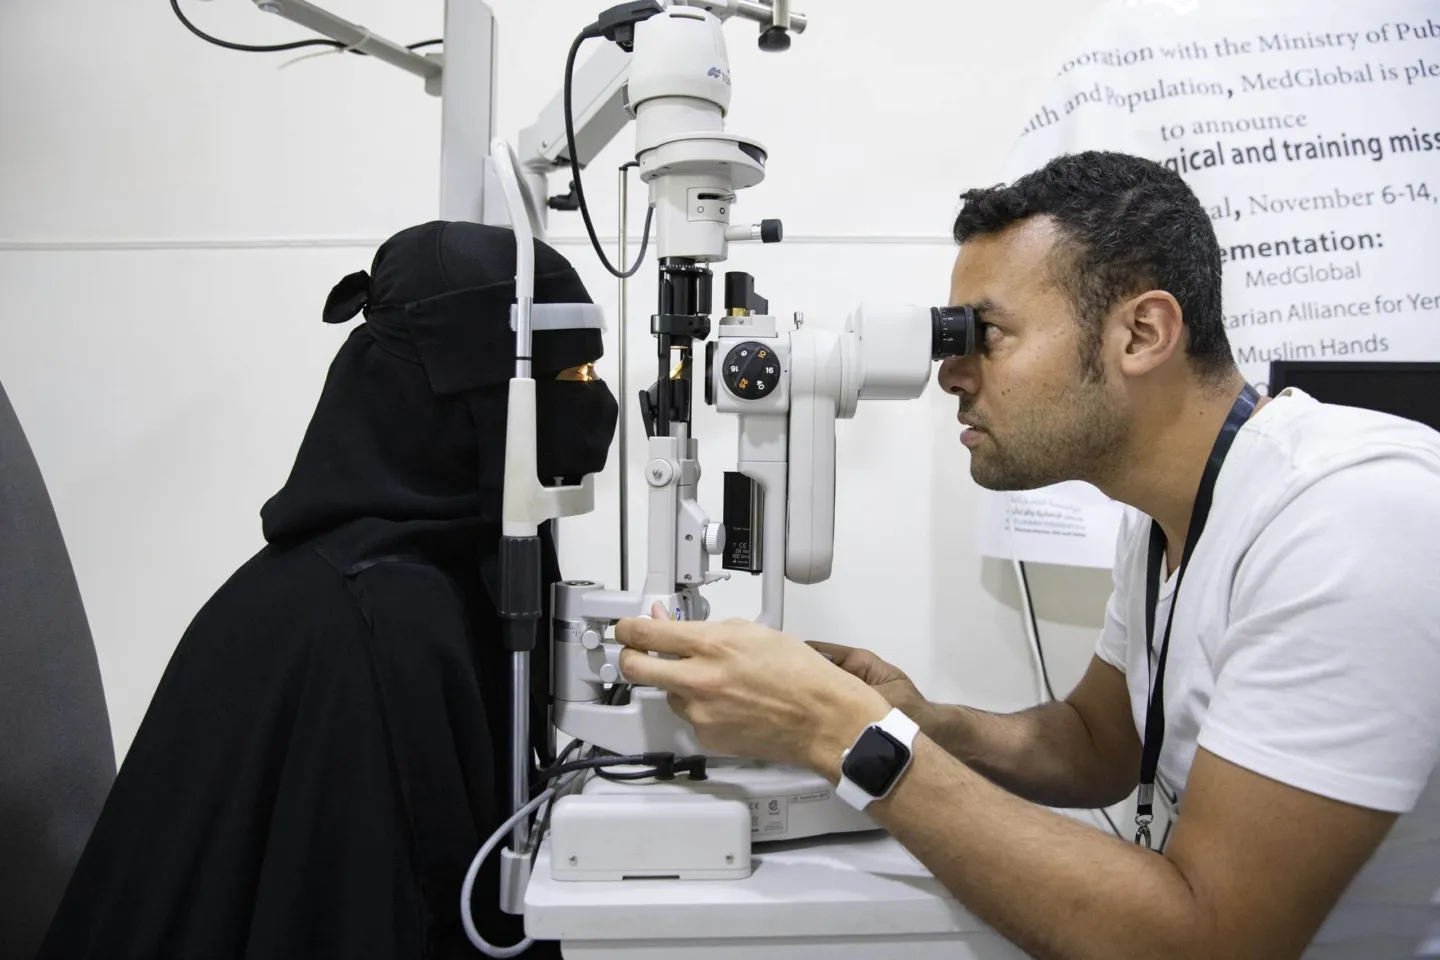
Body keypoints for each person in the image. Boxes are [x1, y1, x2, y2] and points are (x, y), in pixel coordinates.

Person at [615, 151, 1440, 959]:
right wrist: (925, 724)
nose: (952, 375)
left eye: (988, 333)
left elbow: (1212, 941)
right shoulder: (1164, 517)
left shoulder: (1347, 519)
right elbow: (1095, 744)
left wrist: (842, 732)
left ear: (1142, 333)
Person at [37, 221, 617, 960]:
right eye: (571, 379)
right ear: (480, 396)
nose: (595, 404)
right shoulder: (378, 621)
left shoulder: (439, 573)